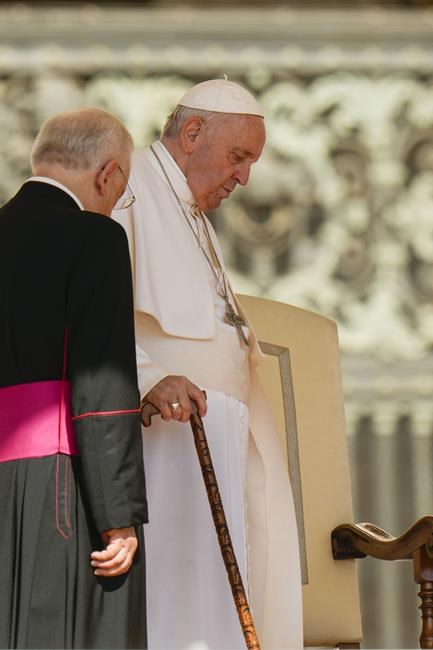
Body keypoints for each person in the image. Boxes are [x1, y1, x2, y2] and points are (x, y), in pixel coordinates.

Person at [114, 80, 303, 649]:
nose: (245, 178)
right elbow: (91, 315)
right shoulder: (129, 191)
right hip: (170, 441)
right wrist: (147, 377)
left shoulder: (190, 205)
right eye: (239, 157)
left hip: (228, 429)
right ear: (193, 133)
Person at [0, 107, 148, 649]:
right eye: (121, 190)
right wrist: (119, 517)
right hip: (60, 489)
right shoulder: (94, 238)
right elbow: (102, 385)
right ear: (107, 174)